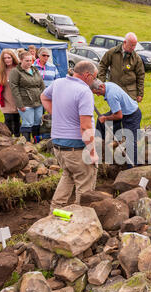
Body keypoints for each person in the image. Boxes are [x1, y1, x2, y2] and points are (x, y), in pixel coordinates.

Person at [40, 60, 99, 211]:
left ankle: (55, 211)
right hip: (76, 148)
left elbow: (44, 97)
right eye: (94, 77)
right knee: (85, 183)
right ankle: (82, 218)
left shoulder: (58, 83)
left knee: (68, 176)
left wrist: (58, 114)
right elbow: (85, 126)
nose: (95, 81)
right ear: (87, 75)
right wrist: (92, 153)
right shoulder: (84, 91)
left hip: (59, 145)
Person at [91, 79, 142, 168]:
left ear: (101, 86)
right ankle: (101, 147)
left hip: (132, 116)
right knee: (100, 120)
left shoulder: (111, 95)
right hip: (123, 112)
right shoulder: (107, 84)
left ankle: (132, 168)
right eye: (95, 94)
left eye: (98, 92)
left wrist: (106, 118)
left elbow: (119, 116)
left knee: (131, 142)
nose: (98, 95)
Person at [98, 32, 145, 102]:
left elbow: (140, 76)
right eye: (131, 45)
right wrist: (102, 83)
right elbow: (102, 66)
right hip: (115, 89)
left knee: (130, 112)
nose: (133, 48)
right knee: (116, 111)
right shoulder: (112, 52)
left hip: (130, 92)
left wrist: (140, 94)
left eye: (134, 46)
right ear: (125, 42)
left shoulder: (136, 58)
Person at [9, 51, 45, 142]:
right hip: (25, 102)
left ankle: (37, 142)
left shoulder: (35, 70)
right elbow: (14, 89)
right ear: (21, 60)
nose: (29, 62)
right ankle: (27, 143)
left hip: (38, 101)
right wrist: (20, 104)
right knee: (28, 123)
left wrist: (44, 98)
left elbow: (41, 84)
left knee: (37, 122)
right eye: (27, 61)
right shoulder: (15, 71)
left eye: (31, 60)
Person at [0, 49, 21, 137]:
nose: (7, 60)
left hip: (16, 98)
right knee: (8, 119)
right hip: (5, 98)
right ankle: (8, 138)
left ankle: (17, 137)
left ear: (13, 57)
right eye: (5, 58)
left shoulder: (18, 68)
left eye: (9, 57)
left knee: (16, 119)